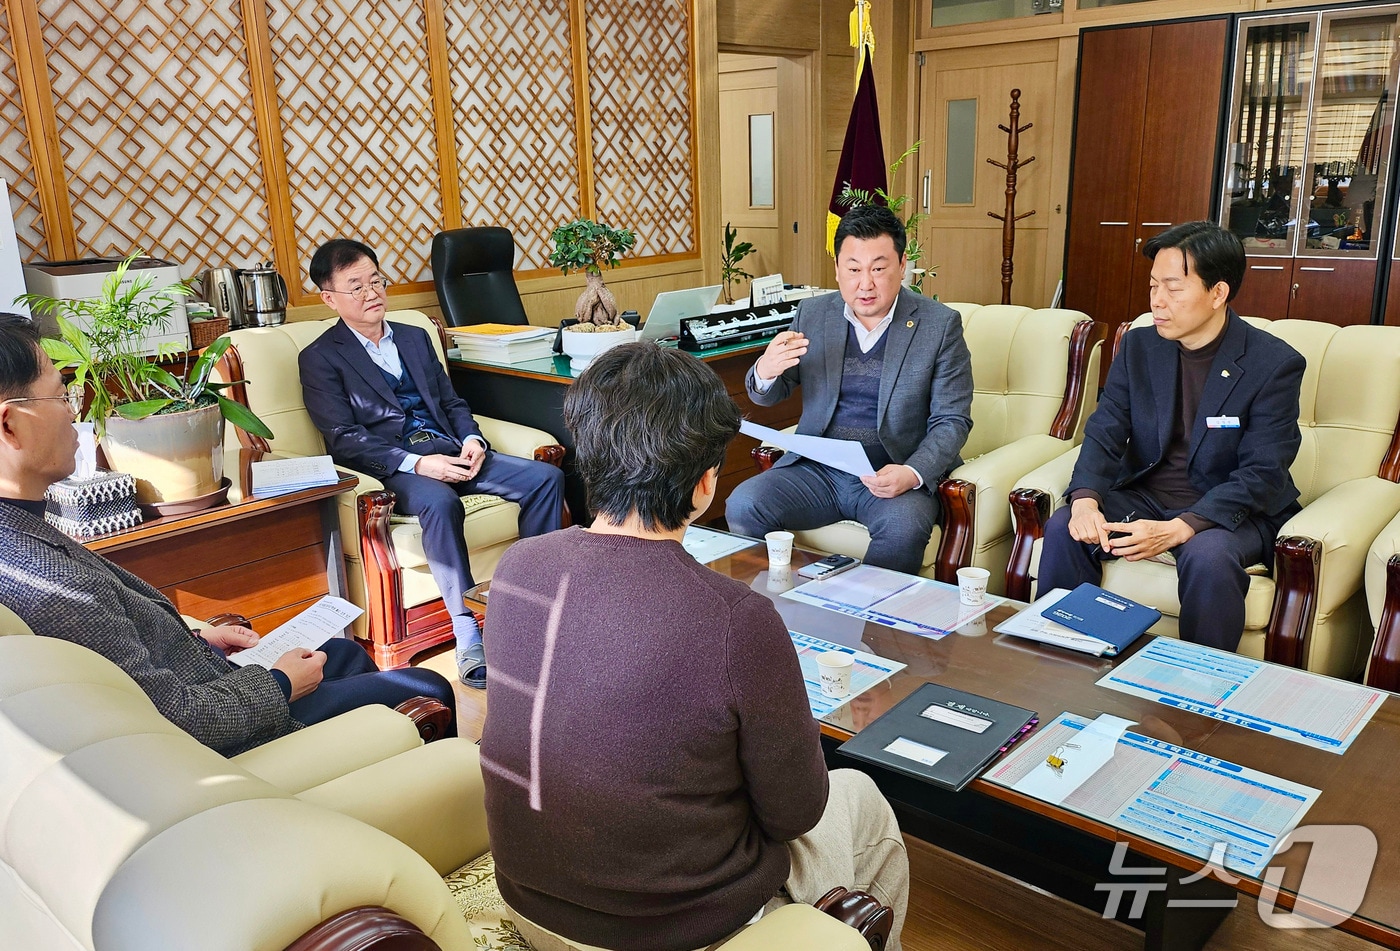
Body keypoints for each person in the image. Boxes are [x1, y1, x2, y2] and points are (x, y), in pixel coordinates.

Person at [480, 342, 909, 951]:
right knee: (861, 799)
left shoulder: (518, 566)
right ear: (706, 483)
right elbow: (794, 814)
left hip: (529, 904)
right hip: (673, 931)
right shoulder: (738, 618)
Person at [0, 314, 456, 757]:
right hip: (233, 737)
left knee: (340, 652)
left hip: (206, 678)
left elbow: (129, 657)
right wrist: (279, 683)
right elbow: (178, 720)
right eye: (62, 397)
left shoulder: (20, 531)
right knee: (427, 687)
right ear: (9, 424)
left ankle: (380, 767)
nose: (74, 413)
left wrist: (197, 643)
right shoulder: (47, 582)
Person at [300, 239, 564, 688]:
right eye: (356, 286)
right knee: (441, 502)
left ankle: (533, 605)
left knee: (547, 478)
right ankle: (468, 635)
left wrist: (471, 438)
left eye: (376, 280)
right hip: (398, 469)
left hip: (450, 447)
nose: (372, 293)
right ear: (330, 299)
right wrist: (419, 466)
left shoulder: (415, 337)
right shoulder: (320, 358)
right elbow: (344, 440)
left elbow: (452, 401)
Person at [1038, 221, 1306, 651]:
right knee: (1065, 527)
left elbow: (1264, 471)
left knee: (1209, 556)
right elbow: (1105, 430)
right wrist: (1085, 498)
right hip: (1148, 494)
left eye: (1173, 288)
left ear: (1218, 293)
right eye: (1152, 286)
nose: (1157, 302)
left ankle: (1197, 690)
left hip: (1230, 508)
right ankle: (1062, 659)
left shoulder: (1273, 363)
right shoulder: (1140, 347)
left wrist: (1181, 528)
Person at [725, 204, 973, 575]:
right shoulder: (813, 314)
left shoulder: (939, 325)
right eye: (854, 269)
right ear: (838, 269)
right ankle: (780, 612)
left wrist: (912, 472)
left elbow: (952, 420)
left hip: (890, 474)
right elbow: (771, 394)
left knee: (904, 528)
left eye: (878, 268)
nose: (865, 283)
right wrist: (765, 370)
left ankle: (868, 628)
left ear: (902, 265)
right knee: (744, 504)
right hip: (818, 472)